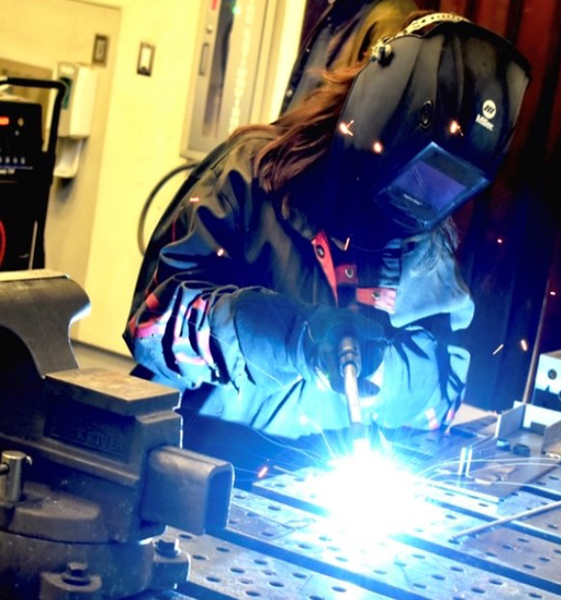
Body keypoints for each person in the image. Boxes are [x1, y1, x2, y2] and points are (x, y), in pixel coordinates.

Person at [125, 12, 530, 472]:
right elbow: (150, 329)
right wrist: (292, 338)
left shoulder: (423, 240)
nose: (416, 205)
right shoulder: (249, 175)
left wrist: (385, 372)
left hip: (311, 483)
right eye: (412, 177)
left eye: (445, 191)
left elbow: (444, 391)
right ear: (376, 121)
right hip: (198, 461)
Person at [281, 0, 419, 115]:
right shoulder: (338, 10)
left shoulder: (392, 17)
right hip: (294, 140)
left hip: (315, 144)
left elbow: (368, 124)